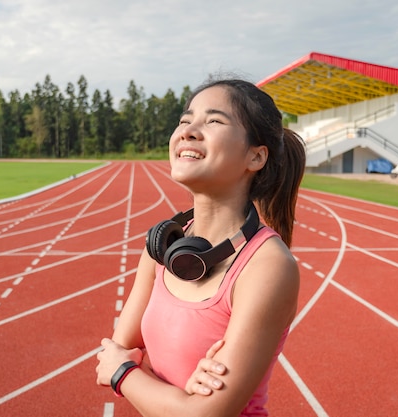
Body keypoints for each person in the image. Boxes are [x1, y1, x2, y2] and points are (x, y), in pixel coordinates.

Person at [96, 77, 306, 416]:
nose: (188, 131)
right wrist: (179, 396)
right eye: (184, 120)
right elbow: (116, 349)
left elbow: (201, 413)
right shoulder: (166, 244)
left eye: (214, 121)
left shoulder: (267, 265)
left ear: (255, 156)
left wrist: (125, 374)